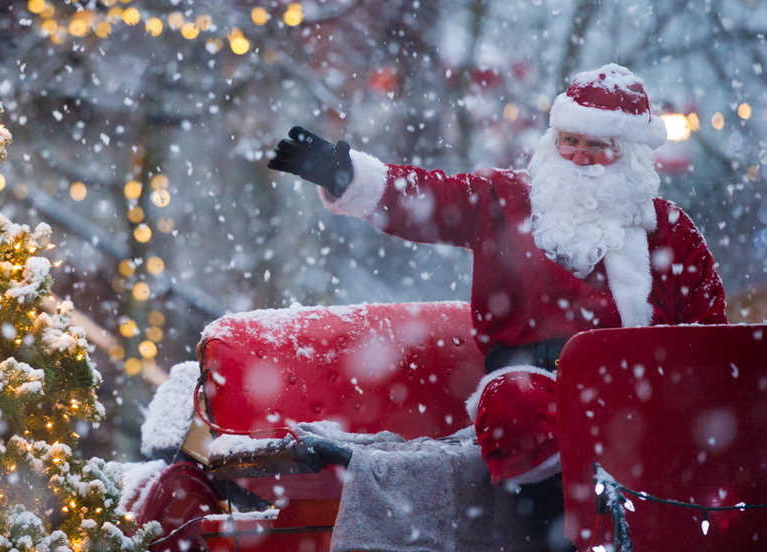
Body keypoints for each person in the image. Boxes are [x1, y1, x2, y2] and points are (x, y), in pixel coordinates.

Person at [267, 63, 727, 546]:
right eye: (571, 141)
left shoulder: (670, 232)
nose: (580, 158)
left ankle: (627, 512)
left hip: (635, 396)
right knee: (515, 405)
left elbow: (710, 338)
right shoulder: (507, 201)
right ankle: (577, 527)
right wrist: (348, 175)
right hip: (536, 394)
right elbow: (431, 198)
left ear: (630, 154)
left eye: (598, 146)